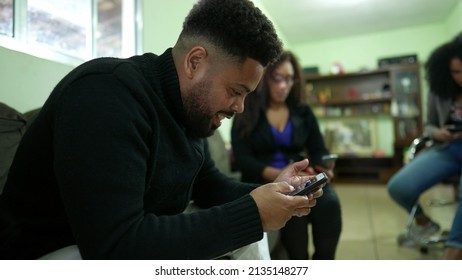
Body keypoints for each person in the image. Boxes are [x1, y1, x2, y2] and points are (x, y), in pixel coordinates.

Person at [0, 0, 324, 260]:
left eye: (246, 96)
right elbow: (116, 248)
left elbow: (208, 184)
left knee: (249, 237)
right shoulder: (105, 95)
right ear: (195, 62)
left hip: (112, 244)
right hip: (52, 253)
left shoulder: (190, 113)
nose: (239, 107)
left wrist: (275, 194)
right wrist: (253, 214)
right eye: (235, 91)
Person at [231, 50, 342, 259]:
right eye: (278, 78)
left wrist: (323, 168)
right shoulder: (247, 109)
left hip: (300, 178)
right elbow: (242, 158)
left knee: (330, 202)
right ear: (265, 78)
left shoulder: (303, 111)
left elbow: (318, 149)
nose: (284, 85)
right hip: (264, 182)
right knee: (295, 212)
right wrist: (279, 175)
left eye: (290, 79)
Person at [387, 34, 462, 260]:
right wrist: (438, 133)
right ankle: (424, 222)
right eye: (457, 72)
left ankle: (454, 250)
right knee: (398, 186)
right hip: (448, 148)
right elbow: (429, 125)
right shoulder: (439, 89)